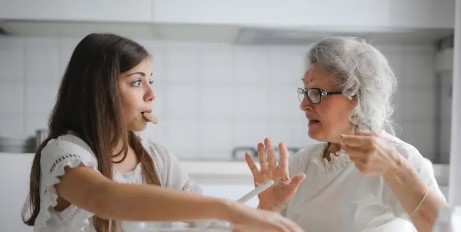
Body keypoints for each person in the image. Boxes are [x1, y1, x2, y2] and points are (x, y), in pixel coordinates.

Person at [21, 33, 304, 232]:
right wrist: (225, 207)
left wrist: (266, 208)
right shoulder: (64, 153)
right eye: (136, 82)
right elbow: (104, 199)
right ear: (99, 90)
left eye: (150, 81)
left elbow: (208, 226)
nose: (151, 94)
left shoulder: (157, 158)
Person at [244, 36, 446, 232]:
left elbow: (445, 229)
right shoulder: (302, 164)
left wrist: (396, 169)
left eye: (316, 93)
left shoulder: (399, 158)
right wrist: (268, 209)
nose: (303, 104)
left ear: (356, 96)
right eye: (304, 92)